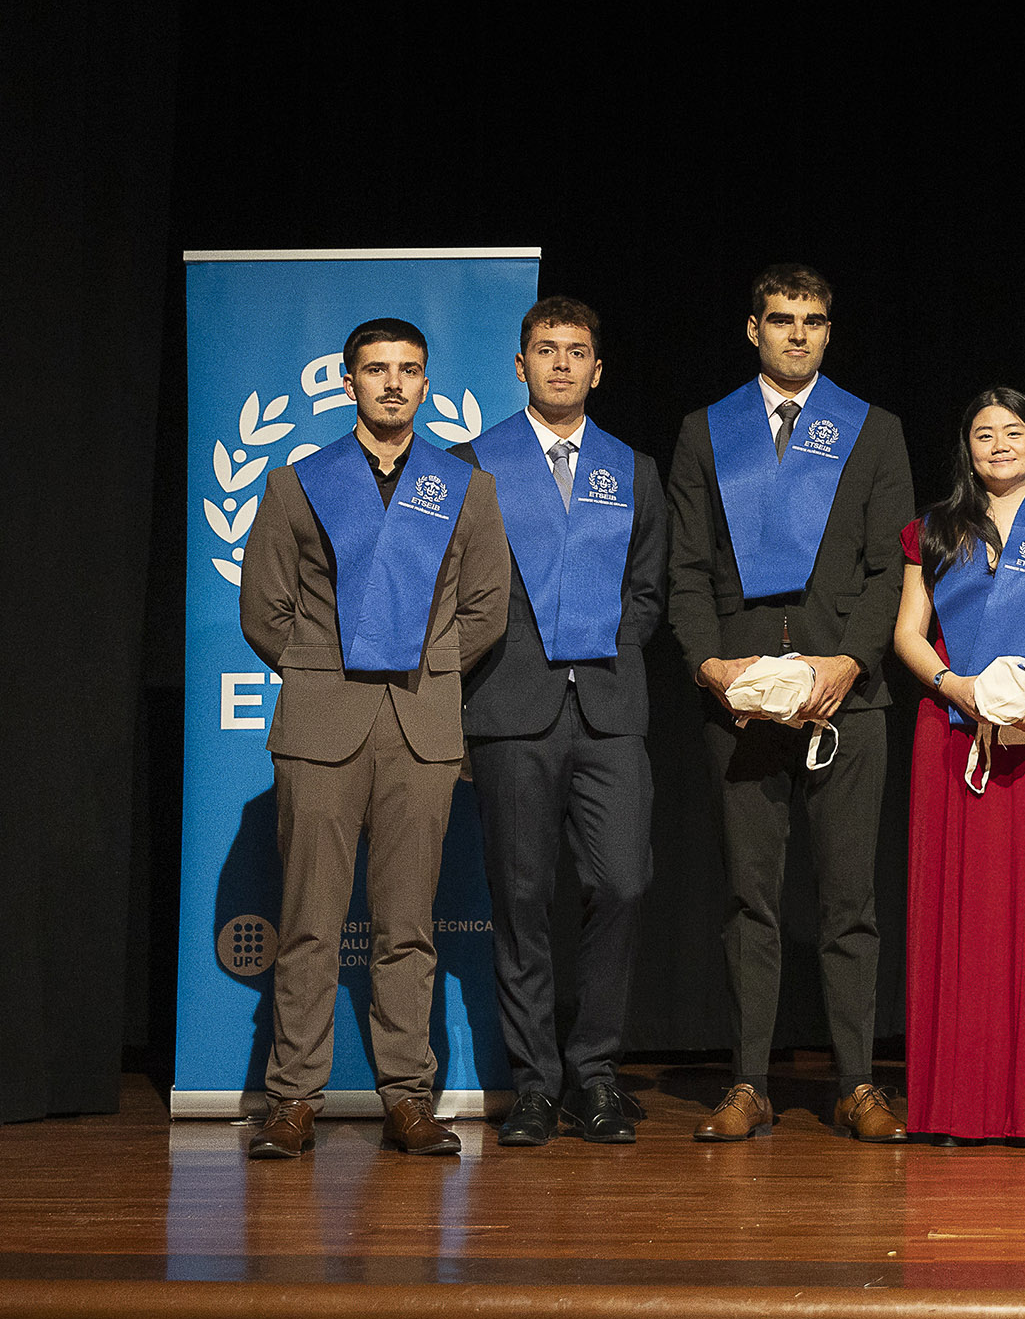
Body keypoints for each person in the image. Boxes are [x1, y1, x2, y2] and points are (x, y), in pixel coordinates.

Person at [238, 317, 509, 1159]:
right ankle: (292, 1098)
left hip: (421, 726)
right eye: (377, 368)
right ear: (348, 380)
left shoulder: (465, 487)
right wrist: (326, 667)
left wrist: (424, 665)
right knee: (309, 923)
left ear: (426, 383)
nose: (394, 383)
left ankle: (408, 1098)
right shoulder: (297, 484)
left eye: (409, 369)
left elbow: (485, 608)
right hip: (322, 724)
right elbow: (265, 611)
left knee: (407, 925)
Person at [666, 264, 915, 1145]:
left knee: (850, 901)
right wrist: (709, 666)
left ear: (828, 331)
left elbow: (893, 568)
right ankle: (748, 1083)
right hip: (740, 699)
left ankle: (856, 1084)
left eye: (812, 320)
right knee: (750, 900)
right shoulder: (707, 430)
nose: (797, 334)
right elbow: (685, 568)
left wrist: (850, 660)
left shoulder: (873, 430)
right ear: (754, 329)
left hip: (848, 694)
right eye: (781, 319)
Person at [456, 297, 667, 1148]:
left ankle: (597, 1072)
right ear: (521, 365)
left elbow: (648, 589)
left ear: (597, 370)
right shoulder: (476, 465)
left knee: (623, 883)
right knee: (521, 897)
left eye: (577, 351)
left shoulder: (632, 468)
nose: (561, 364)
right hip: (512, 708)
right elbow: (458, 591)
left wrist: (599, 636)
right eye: (546, 350)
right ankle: (537, 1083)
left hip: (609, 707)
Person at [892, 388, 1025, 1143]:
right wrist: (954, 687)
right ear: (968, 449)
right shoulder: (932, 530)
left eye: (1015, 432)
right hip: (953, 729)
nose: (1000, 445)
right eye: (984, 434)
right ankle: (955, 1105)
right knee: (959, 910)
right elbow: (908, 634)